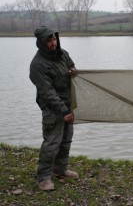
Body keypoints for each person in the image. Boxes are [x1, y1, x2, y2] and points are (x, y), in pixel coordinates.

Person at [30, 26, 79, 191]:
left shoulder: (62, 53)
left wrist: (72, 70)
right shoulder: (37, 65)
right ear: (41, 43)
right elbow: (47, 92)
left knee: (66, 139)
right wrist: (63, 110)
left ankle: (61, 169)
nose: (53, 43)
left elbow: (71, 65)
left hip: (68, 104)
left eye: (54, 39)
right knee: (52, 142)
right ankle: (43, 177)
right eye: (49, 40)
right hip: (52, 108)